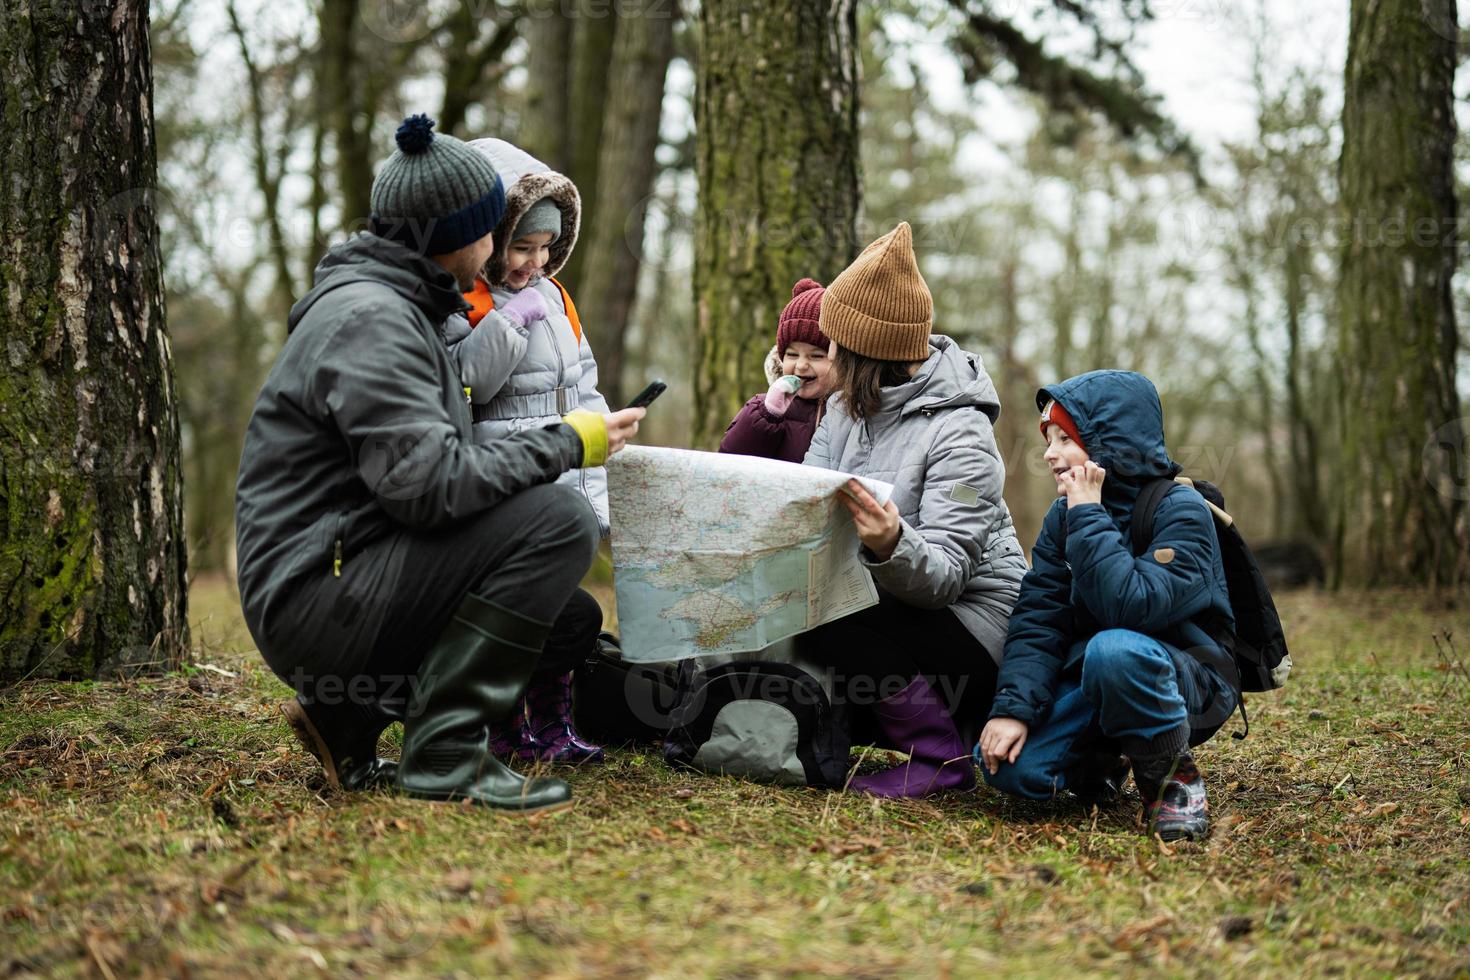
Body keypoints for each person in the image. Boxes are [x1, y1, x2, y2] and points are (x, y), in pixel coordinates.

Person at [234, 115, 643, 813]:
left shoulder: (393, 306)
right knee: (559, 520)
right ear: (458, 237)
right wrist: (567, 444)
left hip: (339, 572)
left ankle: (349, 718)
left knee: (566, 615)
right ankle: (445, 752)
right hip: (315, 594)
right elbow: (430, 488)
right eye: (491, 232)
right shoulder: (375, 323)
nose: (496, 250)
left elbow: (421, 472)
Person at [799, 222, 1027, 798]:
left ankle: (940, 759)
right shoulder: (846, 407)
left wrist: (889, 541)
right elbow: (808, 486)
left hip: (981, 628)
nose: (824, 357)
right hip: (894, 607)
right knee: (802, 608)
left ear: (865, 352)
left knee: (836, 615)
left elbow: (946, 578)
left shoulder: (962, 432)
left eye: (834, 345)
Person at [976, 371, 1239, 841]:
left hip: (1185, 675)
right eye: (1048, 439)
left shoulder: (1181, 510)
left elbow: (1132, 607)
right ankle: (1109, 758)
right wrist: (1012, 710)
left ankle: (1172, 783)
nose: (1049, 453)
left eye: (1065, 439)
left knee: (1114, 649)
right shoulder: (1064, 516)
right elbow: (1039, 619)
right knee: (1011, 771)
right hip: (1099, 673)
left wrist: (1088, 515)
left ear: (1107, 446)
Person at [442, 137, 611, 765]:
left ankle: (553, 725)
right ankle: (502, 727)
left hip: (563, 475)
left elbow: (583, 390)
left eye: (545, 249)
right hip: (506, 483)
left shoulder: (560, 298)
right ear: (492, 234)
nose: (533, 263)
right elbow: (472, 383)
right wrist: (513, 321)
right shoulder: (470, 300)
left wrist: (598, 486)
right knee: (520, 612)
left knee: (558, 611)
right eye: (521, 246)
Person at [719, 278, 834, 463]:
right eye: (792, 355)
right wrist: (766, 415)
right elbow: (731, 459)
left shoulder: (852, 411)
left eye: (816, 356)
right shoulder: (768, 408)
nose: (801, 365)